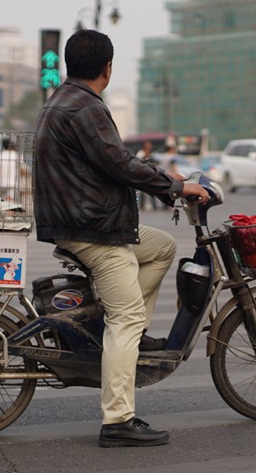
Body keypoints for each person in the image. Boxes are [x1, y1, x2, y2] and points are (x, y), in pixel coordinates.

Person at [34, 29, 209, 448]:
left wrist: (166, 178)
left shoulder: (63, 99)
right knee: (124, 317)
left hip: (80, 219)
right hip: (93, 228)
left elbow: (114, 159)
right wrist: (175, 188)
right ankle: (118, 420)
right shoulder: (86, 107)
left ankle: (134, 334)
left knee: (161, 246)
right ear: (108, 69)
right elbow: (118, 163)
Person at [0, 137, 29, 201]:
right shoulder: (17, 156)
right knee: (11, 205)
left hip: (1, 185)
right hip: (13, 185)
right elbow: (24, 171)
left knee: (3, 204)